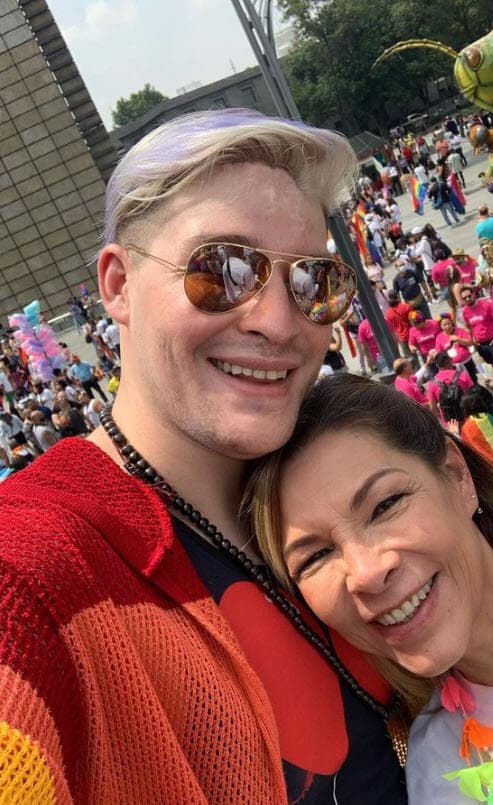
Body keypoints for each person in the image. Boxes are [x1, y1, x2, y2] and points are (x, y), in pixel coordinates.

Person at [0, 111, 406, 803]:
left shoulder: (339, 484)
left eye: (313, 282)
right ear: (118, 285)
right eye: (221, 270)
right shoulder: (30, 571)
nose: (278, 322)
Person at [246, 374, 493, 805]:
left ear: (457, 477)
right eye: (315, 557)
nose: (364, 573)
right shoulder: (437, 778)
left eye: (385, 505)